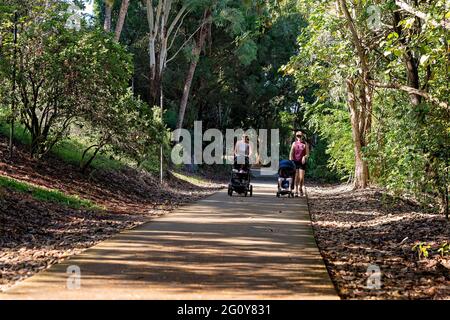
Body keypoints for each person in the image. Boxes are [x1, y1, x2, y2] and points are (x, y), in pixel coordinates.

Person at [289, 131, 309, 197]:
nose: (299, 137)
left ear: (302, 136)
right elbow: (291, 153)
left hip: (302, 162)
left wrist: (304, 157)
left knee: (301, 177)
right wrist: (290, 162)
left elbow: (307, 154)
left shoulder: (305, 144)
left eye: (300, 136)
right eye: (297, 136)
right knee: (296, 177)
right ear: (296, 136)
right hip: (295, 162)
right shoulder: (294, 143)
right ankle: (296, 190)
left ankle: (300, 188)